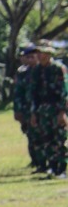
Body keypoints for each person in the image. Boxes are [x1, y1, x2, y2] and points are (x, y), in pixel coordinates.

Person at [28, 40, 67, 179]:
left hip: (56, 108)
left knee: (59, 139)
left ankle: (62, 169)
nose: (40, 55)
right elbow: (33, 93)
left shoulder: (58, 68)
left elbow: (64, 92)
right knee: (46, 139)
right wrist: (33, 112)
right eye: (38, 53)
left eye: (43, 53)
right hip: (42, 110)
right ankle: (52, 167)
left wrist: (62, 112)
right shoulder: (36, 71)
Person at [12, 44, 37, 168]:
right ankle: (36, 160)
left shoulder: (43, 70)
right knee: (31, 135)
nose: (28, 59)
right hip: (26, 109)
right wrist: (17, 110)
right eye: (27, 57)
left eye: (31, 57)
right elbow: (18, 93)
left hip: (41, 109)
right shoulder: (22, 72)